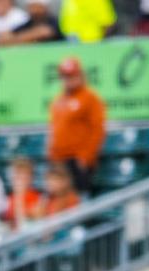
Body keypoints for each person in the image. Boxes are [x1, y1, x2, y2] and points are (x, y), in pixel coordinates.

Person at [46, 59, 106, 193]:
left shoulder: (90, 98)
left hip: (77, 160)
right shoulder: (59, 100)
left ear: (80, 75)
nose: (69, 79)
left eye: (72, 75)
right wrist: (52, 155)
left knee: (79, 197)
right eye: (65, 76)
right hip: (60, 160)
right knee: (60, 199)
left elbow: (97, 129)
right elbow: (54, 129)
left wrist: (86, 157)